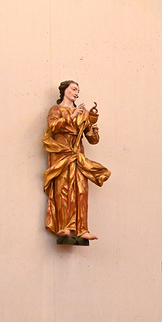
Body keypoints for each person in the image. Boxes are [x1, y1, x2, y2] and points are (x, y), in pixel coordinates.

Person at [43, 80, 111, 240]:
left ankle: (82, 229)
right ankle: (65, 227)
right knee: (63, 189)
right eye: (73, 89)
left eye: (77, 91)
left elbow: (92, 139)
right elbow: (53, 126)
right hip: (62, 153)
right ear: (64, 90)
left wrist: (94, 130)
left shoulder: (83, 113)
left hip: (77, 154)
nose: (76, 93)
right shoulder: (56, 109)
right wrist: (71, 116)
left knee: (81, 190)